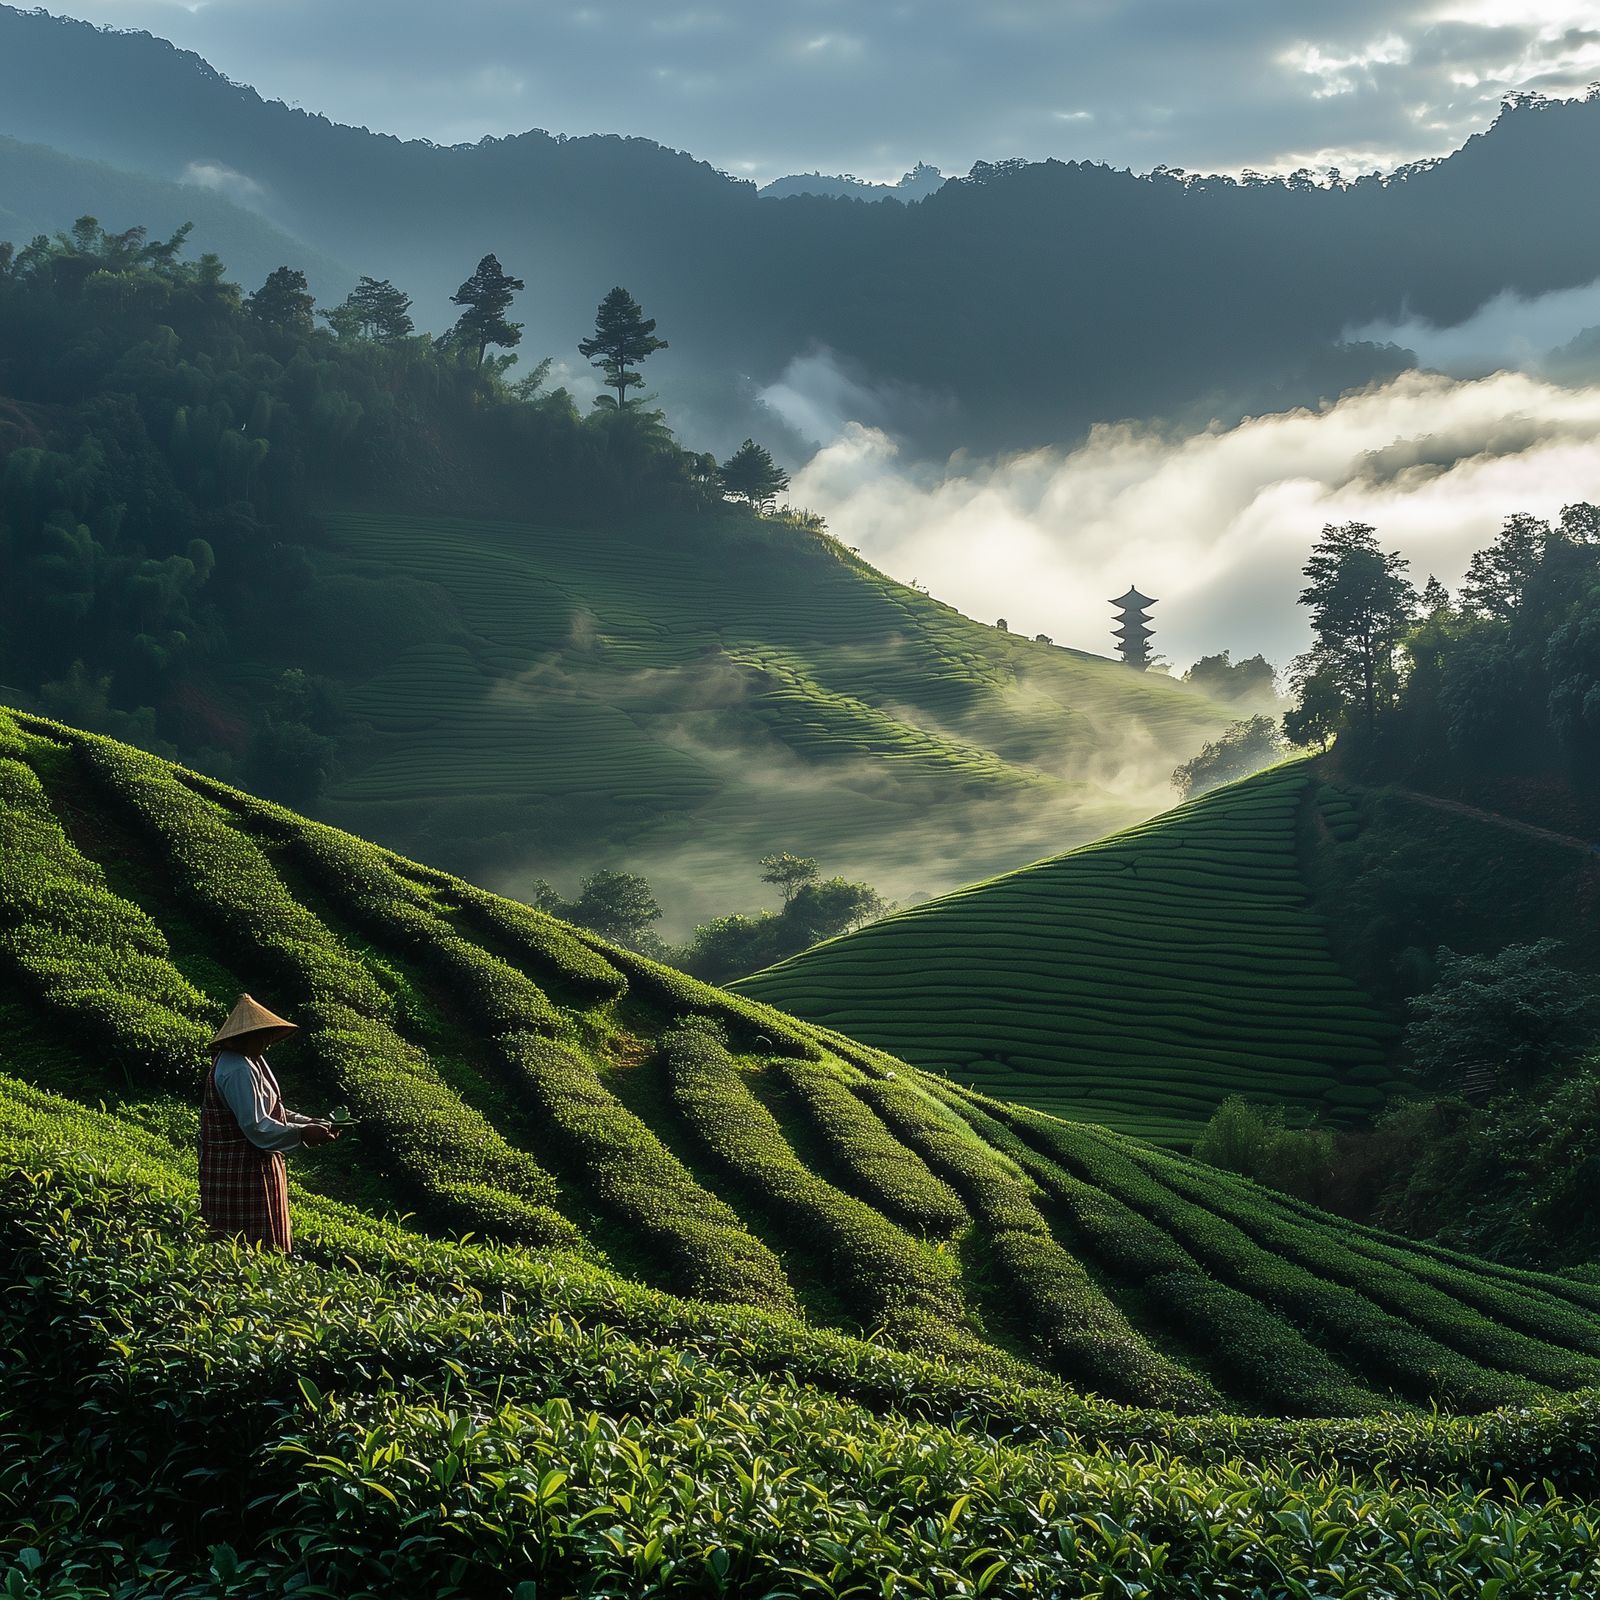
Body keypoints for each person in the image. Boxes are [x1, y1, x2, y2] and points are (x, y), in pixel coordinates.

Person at [199, 993, 340, 1253]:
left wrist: (310, 1122)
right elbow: (257, 1126)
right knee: (245, 1247)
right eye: (262, 1035)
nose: (268, 1042)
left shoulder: (252, 1060)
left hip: (253, 1164)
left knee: (263, 1242)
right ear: (245, 1036)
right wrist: (303, 1134)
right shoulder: (237, 1069)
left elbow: (273, 1109)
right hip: (239, 1170)